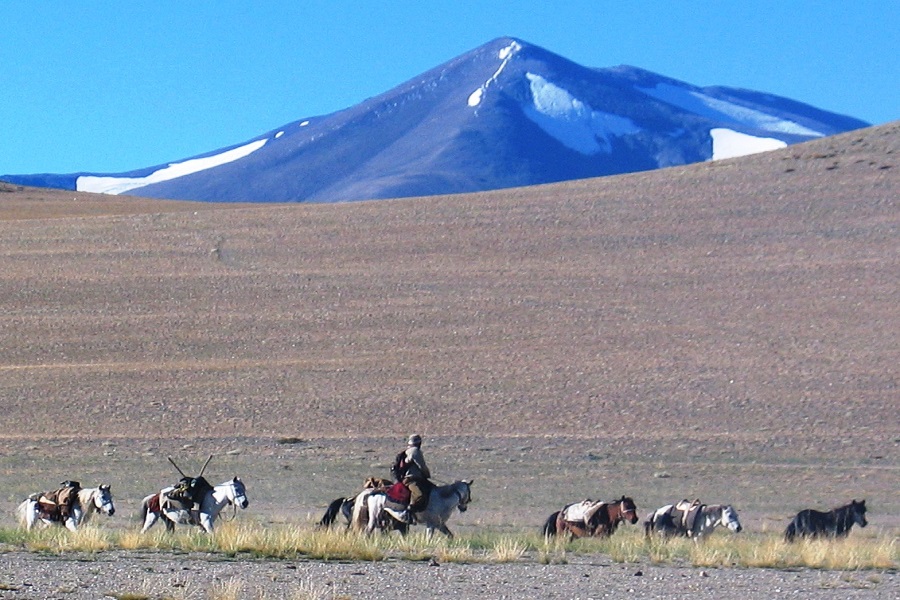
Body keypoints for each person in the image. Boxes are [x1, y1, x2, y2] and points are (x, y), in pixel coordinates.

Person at [393, 434, 432, 523]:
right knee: (419, 494)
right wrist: (427, 474)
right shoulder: (415, 451)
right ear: (419, 443)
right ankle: (408, 512)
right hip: (411, 479)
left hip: (414, 478)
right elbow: (422, 466)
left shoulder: (408, 451)